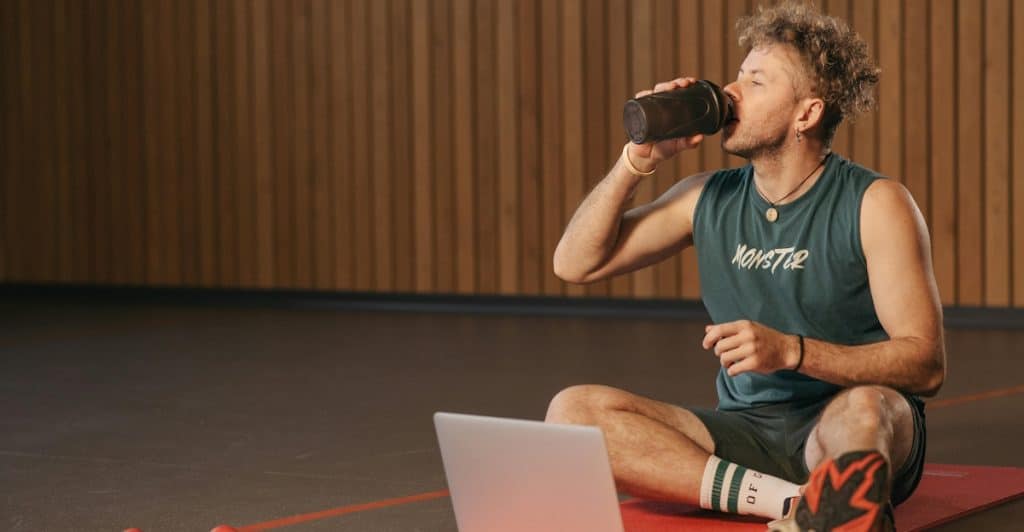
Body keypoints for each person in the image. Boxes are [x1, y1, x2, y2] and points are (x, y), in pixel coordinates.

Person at [545, 2, 946, 531]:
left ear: (806, 114)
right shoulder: (705, 197)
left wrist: (792, 351)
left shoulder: (876, 203)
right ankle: (796, 505)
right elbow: (574, 263)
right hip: (746, 429)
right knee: (572, 412)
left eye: (756, 82)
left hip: (848, 421)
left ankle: (838, 493)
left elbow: (925, 365)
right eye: (737, 76)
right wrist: (637, 160)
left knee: (867, 410)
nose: (730, 92)